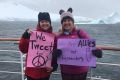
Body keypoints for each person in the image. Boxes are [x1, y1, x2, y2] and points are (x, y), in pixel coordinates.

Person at [57, 7, 102, 80]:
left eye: (69, 20)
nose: (66, 22)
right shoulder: (59, 36)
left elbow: (90, 44)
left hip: (81, 71)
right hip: (66, 71)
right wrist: (56, 53)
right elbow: (54, 49)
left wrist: (98, 51)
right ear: (62, 23)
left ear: (73, 22)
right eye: (64, 21)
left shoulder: (80, 32)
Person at [19, 12, 58, 80]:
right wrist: (25, 37)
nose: (45, 23)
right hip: (31, 73)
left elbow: (55, 54)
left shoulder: (53, 37)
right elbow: (23, 49)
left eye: (47, 21)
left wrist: (53, 67)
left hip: (45, 73)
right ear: (39, 23)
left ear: (50, 23)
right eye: (42, 22)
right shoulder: (32, 34)